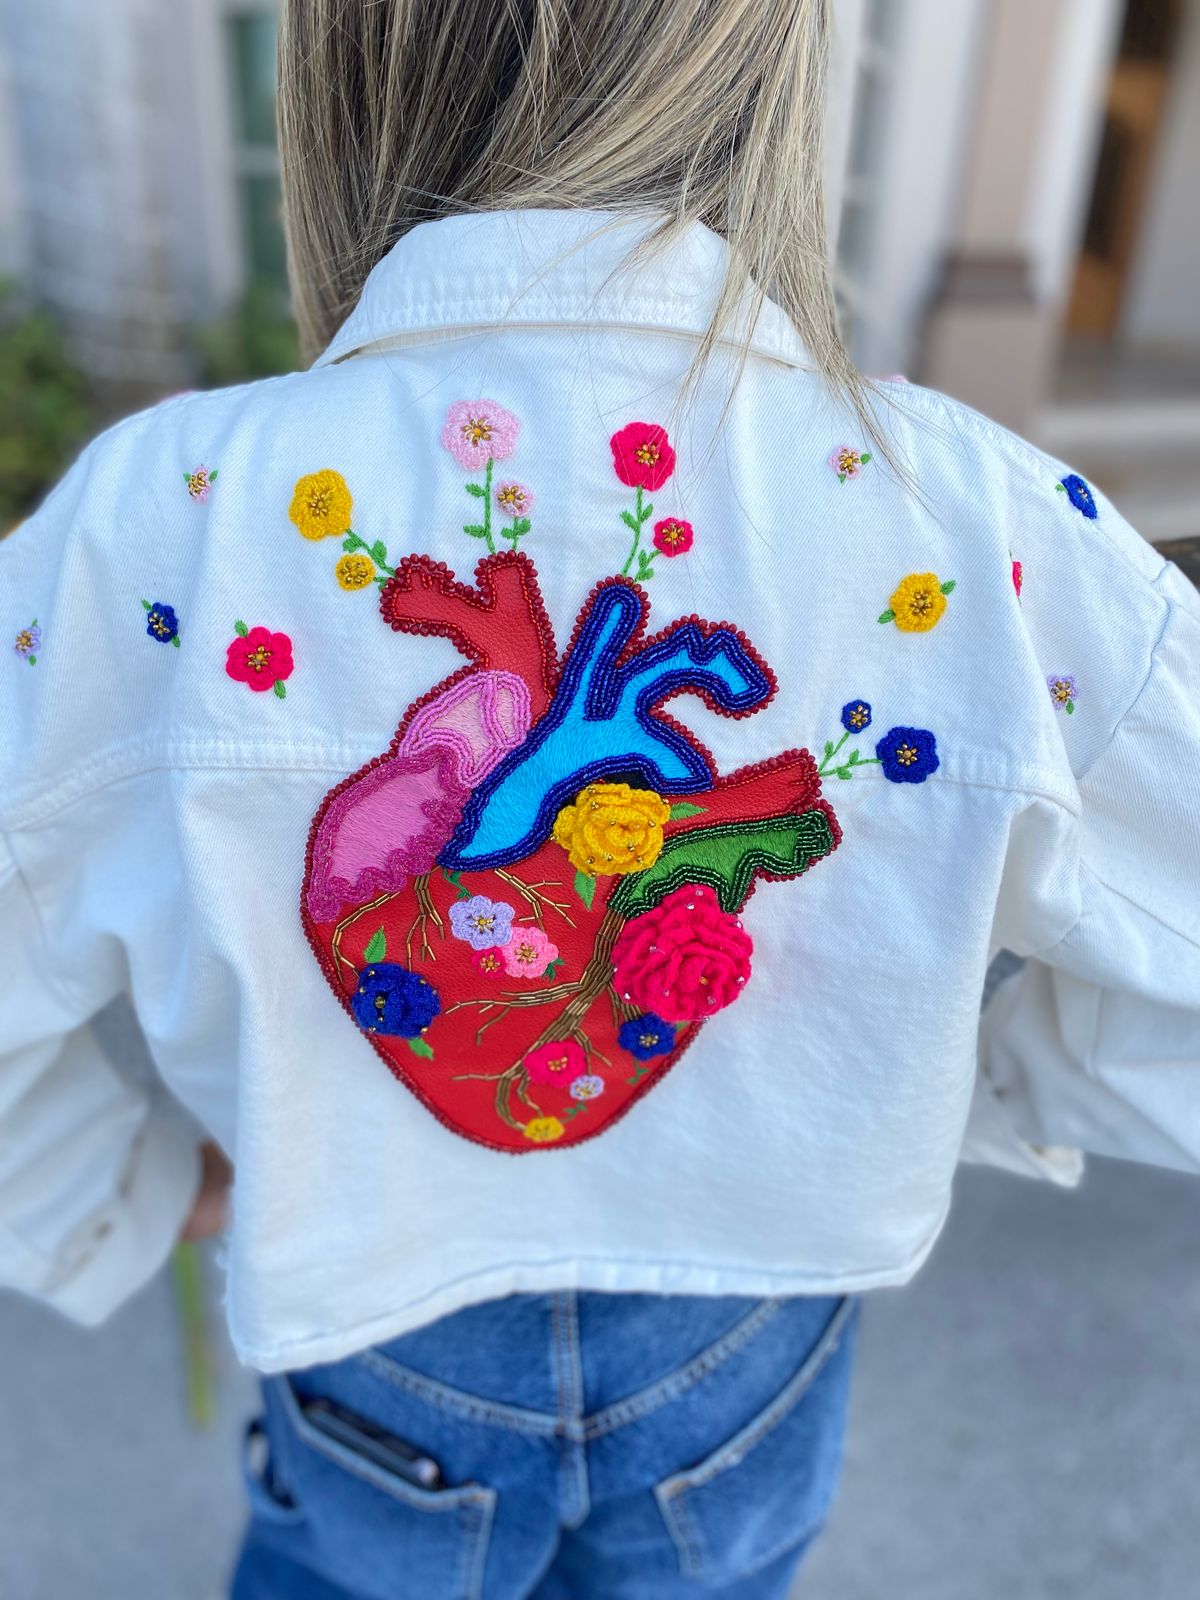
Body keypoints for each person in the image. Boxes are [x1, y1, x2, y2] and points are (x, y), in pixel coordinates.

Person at [1, 1, 1198, 1595]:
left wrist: (121, 1192)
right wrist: (958, 1089)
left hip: (374, 1306)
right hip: (755, 1328)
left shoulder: (160, 522)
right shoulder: (976, 519)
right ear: (770, 81)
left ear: (340, 77)